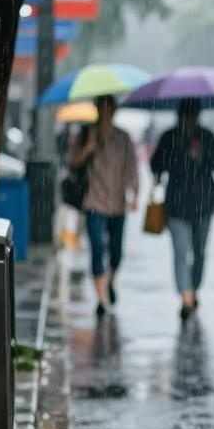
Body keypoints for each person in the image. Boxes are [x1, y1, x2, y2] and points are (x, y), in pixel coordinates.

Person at [150, 99, 214, 321]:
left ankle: (193, 288)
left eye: (192, 115)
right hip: (177, 204)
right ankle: (186, 297)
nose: (189, 120)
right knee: (181, 252)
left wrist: (201, 155)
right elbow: (155, 165)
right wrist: (177, 156)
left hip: (203, 203)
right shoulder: (169, 137)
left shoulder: (206, 137)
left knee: (199, 251)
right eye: (186, 115)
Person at [68, 95, 139, 318]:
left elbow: (132, 167)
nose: (106, 112)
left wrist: (134, 193)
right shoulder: (86, 134)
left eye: (110, 108)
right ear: (97, 110)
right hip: (94, 202)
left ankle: (111, 280)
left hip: (118, 203)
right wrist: (88, 148)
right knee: (97, 248)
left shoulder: (123, 137)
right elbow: (72, 164)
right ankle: (101, 298)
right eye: (103, 108)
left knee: (116, 252)